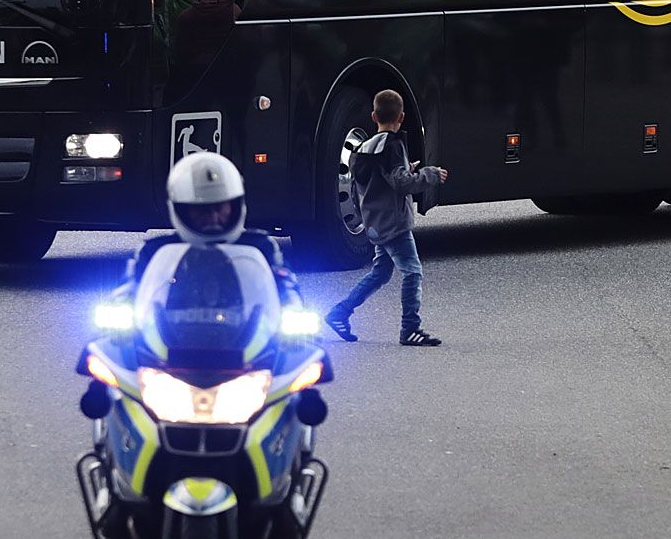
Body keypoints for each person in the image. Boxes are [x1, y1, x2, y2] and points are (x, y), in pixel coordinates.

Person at [325, 89, 447, 347]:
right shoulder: (393, 145)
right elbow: (401, 183)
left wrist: (406, 168)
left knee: (380, 273)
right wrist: (429, 174)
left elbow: (370, 182)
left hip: (375, 222)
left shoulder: (362, 148)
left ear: (373, 116)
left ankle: (339, 312)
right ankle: (410, 328)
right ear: (401, 117)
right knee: (412, 272)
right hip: (394, 224)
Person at [119, 150, 302, 307]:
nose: (213, 218)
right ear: (181, 210)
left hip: (251, 340)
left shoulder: (261, 247)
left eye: (220, 207)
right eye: (202, 210)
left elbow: (287, 288)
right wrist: (122, 305)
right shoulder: (153, 252)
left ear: (235, 206)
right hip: (168, 342)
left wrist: (294, 308)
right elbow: (128, 290)